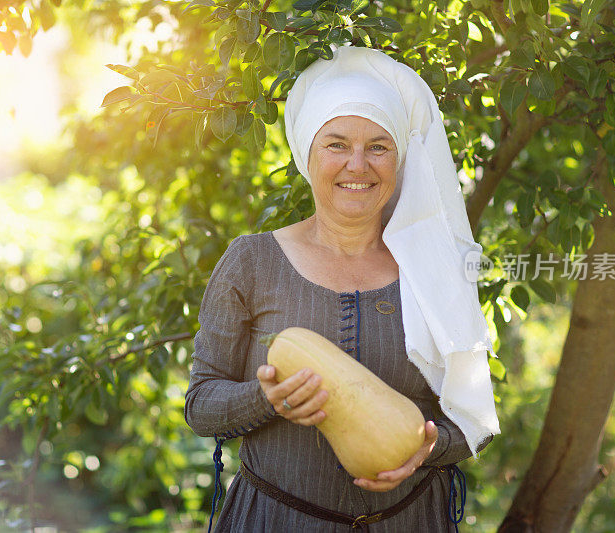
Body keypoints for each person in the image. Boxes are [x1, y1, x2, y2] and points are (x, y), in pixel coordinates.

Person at [184, 45, 500, 532]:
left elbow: (472, 417)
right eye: (336, 144)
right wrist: (268, 400)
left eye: (378, 146)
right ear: (307, 154)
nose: (358, 165)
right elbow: (201, 405)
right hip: (276, 522)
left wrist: (427, 446)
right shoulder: (252, 261)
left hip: (411, 522)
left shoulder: (435, 268)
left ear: (399, 161)